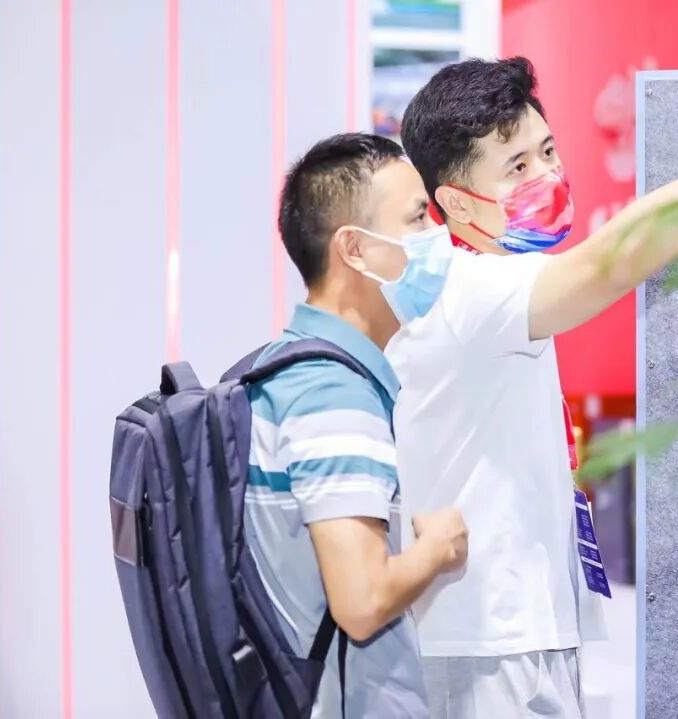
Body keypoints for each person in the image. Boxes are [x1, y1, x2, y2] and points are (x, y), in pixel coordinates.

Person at [388, 53, 678, 717]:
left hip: (517, 629)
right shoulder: (469, 289)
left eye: (547, 151)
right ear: (457, 202)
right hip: (486, 638)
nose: (547, 176)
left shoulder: (492, 281)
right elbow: (612, 260)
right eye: (516, 167)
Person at [245, 132, 470, 717]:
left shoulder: (287, 366)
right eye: (417, 219)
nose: (437, 237)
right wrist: (439, 547)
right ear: (355, 249)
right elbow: (362, 602)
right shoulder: (332, 395)